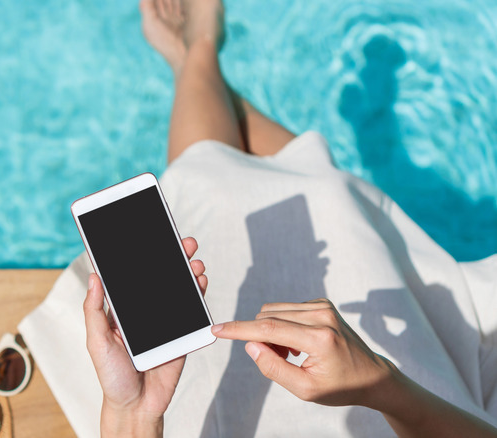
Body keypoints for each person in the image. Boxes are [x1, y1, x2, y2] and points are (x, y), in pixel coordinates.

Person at [81, 0, 497, 436]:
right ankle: (197, 58)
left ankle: (194, 57)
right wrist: (379, 383)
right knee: (323, 197)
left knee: (213, 192)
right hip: (401, 407)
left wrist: (135, 413)